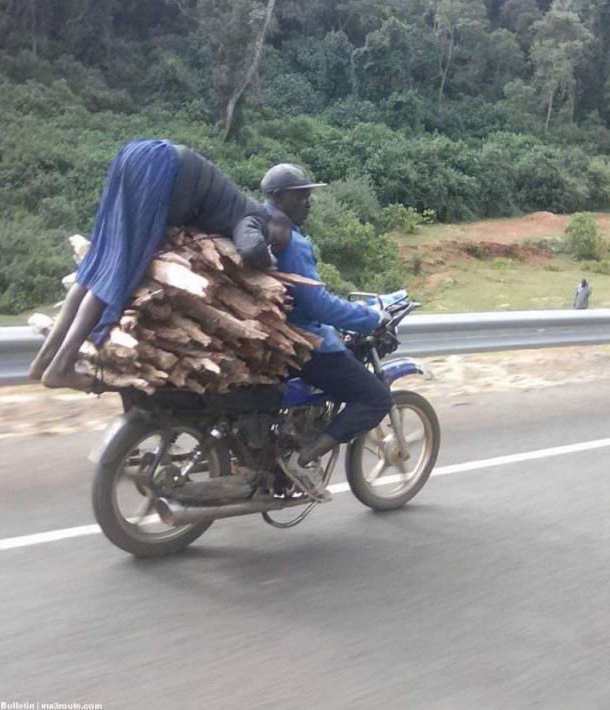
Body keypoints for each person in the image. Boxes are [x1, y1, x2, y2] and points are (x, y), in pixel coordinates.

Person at [30, 139, 289, 391]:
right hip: (161, 167)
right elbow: (251, 247)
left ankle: (44, 360)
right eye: (276, 241)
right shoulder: (255, 217)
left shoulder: (234, 202)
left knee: (97, 265)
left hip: (139, 155)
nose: (273, 244)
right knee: (116, 273)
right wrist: (269, 259)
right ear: (273, 225)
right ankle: (61, 367)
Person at [261, 163, 393, 502]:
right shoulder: (291, 241)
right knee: (376, 396)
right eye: (300, 196)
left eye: (308, 196)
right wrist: (368, 318)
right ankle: (303, 459)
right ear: (278, 196)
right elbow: (317, 305)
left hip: (265, 337)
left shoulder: (255, 223)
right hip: (302, 343)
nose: (308, 203)